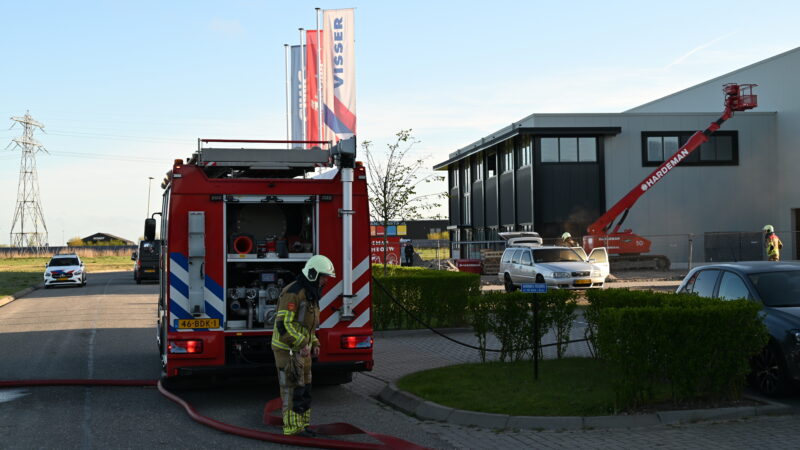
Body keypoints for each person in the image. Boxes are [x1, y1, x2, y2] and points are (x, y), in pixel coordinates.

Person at [271, 254, 335, 436]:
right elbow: (284, 324)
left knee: (304, 388)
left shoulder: (310, 293)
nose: (326, 281)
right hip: (287, 351)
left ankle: (302, 425)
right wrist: (300, 343)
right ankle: (292, 429)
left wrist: (314, 342)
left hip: (302, 351)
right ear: (314, 274)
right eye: (324, 277)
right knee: (293, 390)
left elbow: (308, 326)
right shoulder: (294, 293)